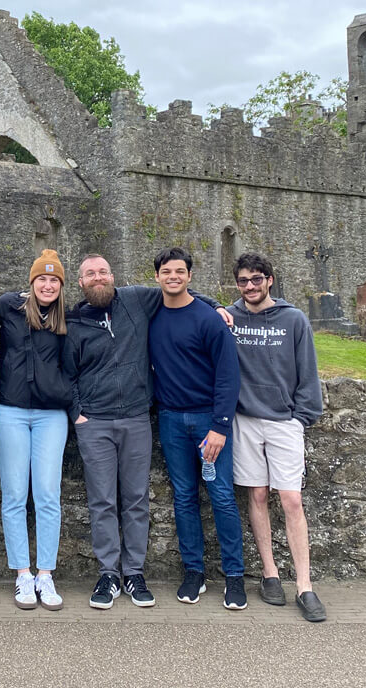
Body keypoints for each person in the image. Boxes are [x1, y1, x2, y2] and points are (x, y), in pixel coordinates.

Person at [63, 254, 231, 610]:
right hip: (94, 422)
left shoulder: (137, 298)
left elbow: (177, 288)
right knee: (103, 500)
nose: (98, 278)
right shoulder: (74, 320)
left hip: (137, 417)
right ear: (80, 282)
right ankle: (109, 573)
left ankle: (134, 572)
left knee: (137, 500)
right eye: (90, 274)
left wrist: (215, 305)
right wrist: (77, 413)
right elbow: (66, 372)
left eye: (103, 272)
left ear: (113, 276)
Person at [227, 252, 326, 622]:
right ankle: (270, 574)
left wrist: (302, 418)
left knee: (291, 499)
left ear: (269, 280)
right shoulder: (229, 317)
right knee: (256, 493)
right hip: (245, 420)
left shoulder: (293, 319)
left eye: (256, 279)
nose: (250, 286)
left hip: (284, 421)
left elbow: (308, 370)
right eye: (243, 281)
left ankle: (304, 584)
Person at [148, 247, 245, 609]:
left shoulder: (208, 319)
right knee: (184, 498)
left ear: (190, 275)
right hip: (171, 419)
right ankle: (194, 572)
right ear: (156, 276)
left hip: (209, 420)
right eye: (166, 272)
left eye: (180, 271)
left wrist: (220, 426)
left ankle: (234, 577)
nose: (173, 277)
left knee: (221, 497)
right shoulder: (151, 313)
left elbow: (228, 375)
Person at [0, 249, 71, 610]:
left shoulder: (66, 316)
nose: (48, 285)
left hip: (51, 415)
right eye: (42, 278)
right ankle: (22, 574)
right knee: (13, 494)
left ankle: (45, 574)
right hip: (9, 410)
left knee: (47, 494)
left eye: (54, 280)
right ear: (32, 281)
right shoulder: (9, 306)